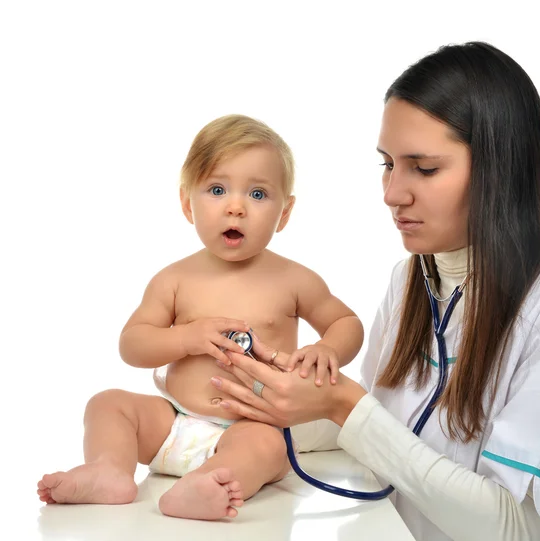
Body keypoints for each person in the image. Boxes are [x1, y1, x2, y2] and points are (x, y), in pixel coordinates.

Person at [208, 43, 540, 541]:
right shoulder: (411, 279)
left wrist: (344, 407)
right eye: (387, 164)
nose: (393, 193)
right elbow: (381, 434)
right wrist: (263, 392)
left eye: (424, 168)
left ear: (500, 168)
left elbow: (521, 530)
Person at [36, 114, 364, 520]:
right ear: (187, 203)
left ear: (285, 212)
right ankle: (109, 469)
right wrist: (186, 338)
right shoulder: (175, 278)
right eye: (216, 189)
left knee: (266, 448)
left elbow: (346, 322)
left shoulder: (295, 279)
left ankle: (208, 484)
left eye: (258, 194)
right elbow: (132, 344)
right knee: (107, 404)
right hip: (173, 420)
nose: (236, 207)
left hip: (252, 423)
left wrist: (327, 348)